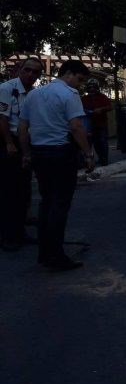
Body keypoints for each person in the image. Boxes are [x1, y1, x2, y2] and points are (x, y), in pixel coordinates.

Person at [18, 60, 95, 270]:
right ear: (68, 73)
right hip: (60, 153)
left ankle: (44, 253)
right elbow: (76, 127)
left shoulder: (34, 95)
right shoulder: (70, 95)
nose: (79, 85)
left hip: (39, 153)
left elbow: (23, 128)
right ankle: (56, 256)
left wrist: (26, 153)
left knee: (46, 202)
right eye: (79, 79)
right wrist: (88, 154)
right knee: (59, 205)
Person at [0, 57, 42, 250]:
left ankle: (19, 232)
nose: (31, 74)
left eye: (35, 72)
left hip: (25, 143)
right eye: (27, 70)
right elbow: (2, 119)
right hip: (9, 142)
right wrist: (9, 143)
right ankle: (8, 236)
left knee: (23, 190)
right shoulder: (7, 89)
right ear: (20, 69)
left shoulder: (33, 93)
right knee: (9, 191)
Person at [80, 78, 114, 166]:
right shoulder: (84, 98)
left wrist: (101, 109)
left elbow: (110, 107)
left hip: (101, 123)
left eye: (93, 87)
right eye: (90, 87)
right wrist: (85, 111)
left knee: (102, 142)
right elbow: (79, 109)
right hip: (88, 125)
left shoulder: (102, 97)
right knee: (88, 143)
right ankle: (87, 161)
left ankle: (104, 160)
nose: (92, 89)